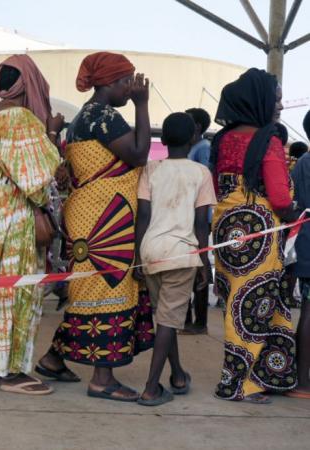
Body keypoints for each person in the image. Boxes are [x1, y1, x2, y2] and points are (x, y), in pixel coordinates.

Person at [39, 52, 154, 401]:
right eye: (126, 82)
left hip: (94, 217)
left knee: (87, 291)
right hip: (103, 222)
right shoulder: (103, 116)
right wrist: (143, 105)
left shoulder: (85, 116)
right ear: (111, 83)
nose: (131, 88)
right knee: (106, 289)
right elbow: (138, 154)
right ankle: (102, 379)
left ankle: (54, 358)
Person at [0, 55, 62, 395]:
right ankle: (10, 371)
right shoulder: (17, 118)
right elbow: (37, 177)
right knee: (18, 295)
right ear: (29, 84)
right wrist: (52, 131)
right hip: (14, 223)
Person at [210, 68, 298, 404]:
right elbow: (278, 196)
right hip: (260, 232)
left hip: (227, 231)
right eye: (275, 100)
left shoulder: (223, 138)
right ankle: (236, 384)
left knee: (239, 303)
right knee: (252, 307)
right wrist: (295, 212)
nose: (279, 106)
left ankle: (265, 374)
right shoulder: (269, 140)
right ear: (259, 100)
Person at [134, 112, 216, 406]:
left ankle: (178, 375)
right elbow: (201, 225)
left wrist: (137, 258)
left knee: (165, 319)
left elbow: (142, 216)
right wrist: (204, 263)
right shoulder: (201, 173)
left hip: (152, 253)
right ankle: (151, 387)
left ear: (163, 139)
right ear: (195, 137)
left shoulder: (151, 170)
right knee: (169, 321)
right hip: (182, 255)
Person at [181, 107, 213, 335]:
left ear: (198, 127)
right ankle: (188, 318)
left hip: (198, 216)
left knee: (198, 263)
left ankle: (199, 321)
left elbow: (203, 178)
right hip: (188, 215)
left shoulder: (203, 148)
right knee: (188, 264)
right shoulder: (193, 148)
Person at [286, 110, 310, 399]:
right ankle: (303, 381)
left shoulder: (302, 163)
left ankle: (301, 377)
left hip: (305, 243)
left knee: (307, 309)